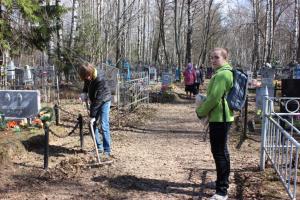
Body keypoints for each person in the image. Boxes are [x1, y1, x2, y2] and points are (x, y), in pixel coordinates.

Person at [196, 48, 234, 200]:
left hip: (220, 118)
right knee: (222, 152)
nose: (213, 60)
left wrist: (201, 111)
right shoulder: (225, 72)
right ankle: (223, 183)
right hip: (222, 117)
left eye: (216, 57)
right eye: (211, 57)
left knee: (219, 153)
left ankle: (222, 191)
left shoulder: (222, 74)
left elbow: (214, 98)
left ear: (224, 58)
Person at [79, 63, 112, 161]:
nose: (87, 78)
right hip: (95, 101)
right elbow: (86, 85)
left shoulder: (100, 78)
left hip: (104, 100)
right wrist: (84, 93)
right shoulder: (87, 75)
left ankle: (107, 150)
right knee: (91, 125)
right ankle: (99, 148)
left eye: (88, 76)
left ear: (91, 72)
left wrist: (92, 115)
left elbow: (99, 99)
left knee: (103, 124)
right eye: (85, 77)